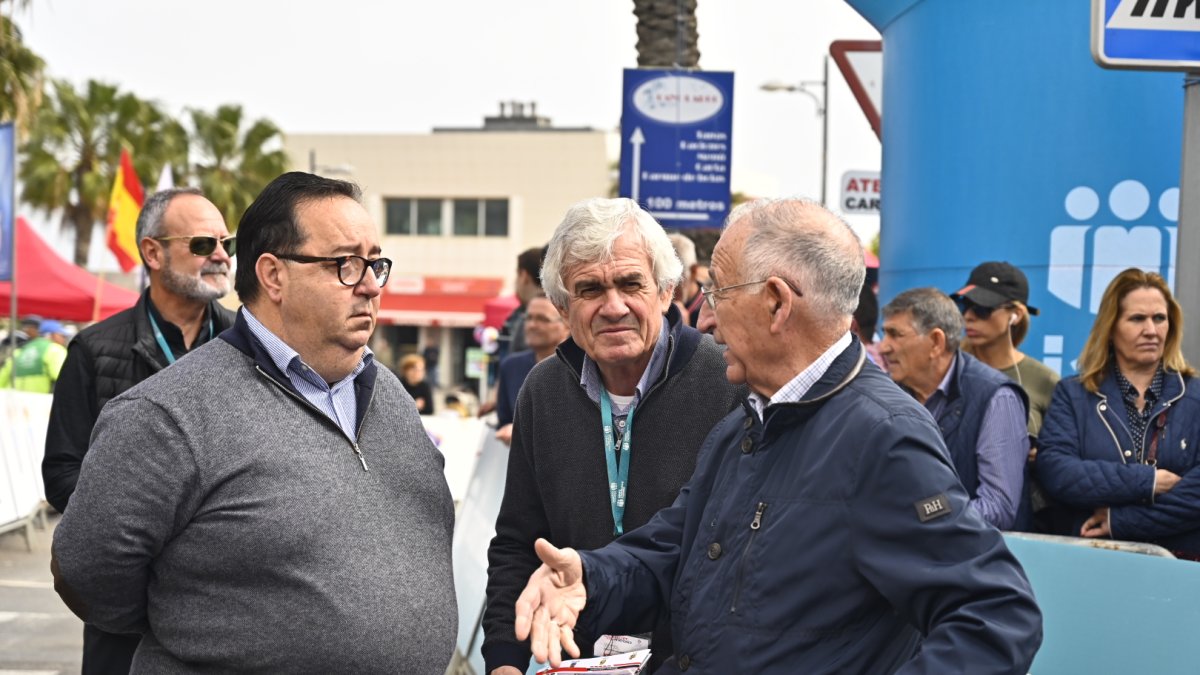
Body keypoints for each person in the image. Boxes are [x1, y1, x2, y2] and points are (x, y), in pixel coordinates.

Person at [510, 199, 1042, 674]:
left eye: (718, 292)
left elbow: (994, 616)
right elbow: (676, 548)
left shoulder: (882, 436)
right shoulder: (746, 422)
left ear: (776, 302)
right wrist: (590, 574)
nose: (707, 319)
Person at [50, 172, 457, 672]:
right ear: (273, 276)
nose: (371, 285)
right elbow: (89, 574)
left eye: (375, 263)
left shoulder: (388, 392)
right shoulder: (166, 415)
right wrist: (204, 628)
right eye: (346, 264)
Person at [483, 198, 745, 675]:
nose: (613, 307)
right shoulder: (541, 391)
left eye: (630, 284)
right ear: (563, 306)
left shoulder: (726, 382)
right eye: (589, 289)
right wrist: (504, 659)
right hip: (574, 658)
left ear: (667, 292)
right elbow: (517, 540)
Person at [41, 188, 237, 673]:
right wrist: (139, 523)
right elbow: (62, 472)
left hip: (227, 604)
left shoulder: (248, 346)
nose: (219, 256)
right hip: (125, 606)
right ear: (152, 252)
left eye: (225, 244)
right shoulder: (92, 350)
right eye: (201, 245)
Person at [1036, 268, 1200, 556]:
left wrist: (1121, 522)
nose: (1151, 330)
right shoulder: (1073, 395)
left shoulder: (1195, 395)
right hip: (1094, 567)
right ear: (1111, 328)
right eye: (1137, 319)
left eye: (1159, 318)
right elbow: (1058, 472)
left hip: (1181, 572)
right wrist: (1147, 481)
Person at [879, 288, 1031, 530]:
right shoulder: (885, 392)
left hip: (965, 561)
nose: (883, 347)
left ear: (936, 342)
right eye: (884, 334)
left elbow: (998, 508)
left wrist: (920, 516)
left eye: (895, 335)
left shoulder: (996, 397)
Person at [952, 261, 1059, 435]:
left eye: (982, 308)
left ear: (1015, 315)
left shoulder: (1046, 380)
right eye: (963, 305)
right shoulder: (948, 369)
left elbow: (1060, 450)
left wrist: (1038, 453)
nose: (968, 316)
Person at [494, 293, 570, 445]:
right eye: (528, 318)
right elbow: (504, 421)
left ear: (567, 324)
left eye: (542, 319)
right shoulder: (511, 367)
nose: (532, 325)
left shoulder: (583, 368)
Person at [0, 319, 69, 392]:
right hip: (42, 400)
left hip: (13, 400)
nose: (64, 339)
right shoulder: (56, 350)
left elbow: (2, 378)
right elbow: (63, 377)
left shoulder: (19, 351)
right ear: (52, 335)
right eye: (62, 335)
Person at [667, 233, 704, 326]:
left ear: (693, 272)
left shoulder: (711, 309)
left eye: (675, 280)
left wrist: (683, 331)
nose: (668, 289)